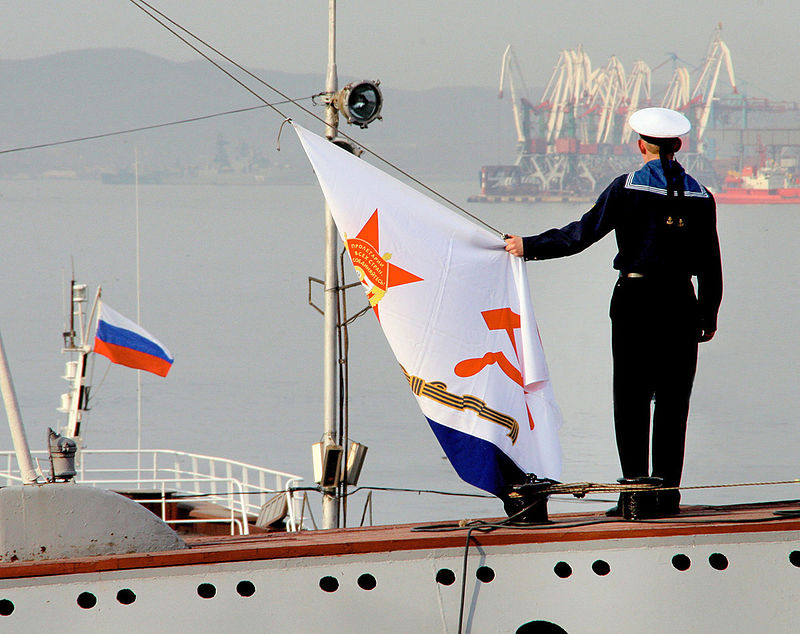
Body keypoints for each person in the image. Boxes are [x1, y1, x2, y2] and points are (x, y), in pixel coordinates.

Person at [504, 107, 722, 517]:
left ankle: (636, 495)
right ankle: (668, 497)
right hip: (681, 302)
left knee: (632, 398)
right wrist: (707, 316)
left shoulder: (626, 188)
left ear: (641, 145)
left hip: (636, 301)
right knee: (674, 402)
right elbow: (711, 263)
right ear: (679, 146)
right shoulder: (702, 196)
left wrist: (527, 246)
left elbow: (581, 235)